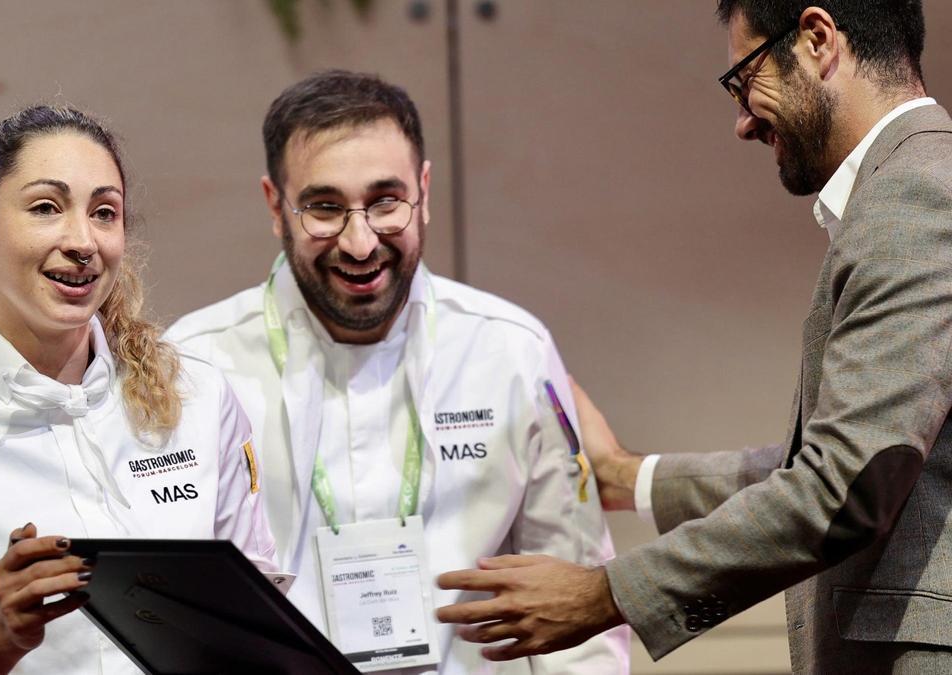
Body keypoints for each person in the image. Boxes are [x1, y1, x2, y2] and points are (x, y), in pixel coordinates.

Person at [436, 1, 952, 672]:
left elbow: (842, 487)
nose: (742, 122)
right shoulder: (908, 189)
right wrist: (628, 476)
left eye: (745, 78)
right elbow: (836, 463)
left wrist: (604, 594)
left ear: (819, 39)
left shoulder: (914, 197)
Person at [165, 70, 629, 673]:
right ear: (275, 206)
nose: (360, 244)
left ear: (425, 191)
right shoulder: (199, 365)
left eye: (386, 202)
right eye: (325, 208)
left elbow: (578, 605)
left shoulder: (508, 350)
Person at [0, 105, 275, 675]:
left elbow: (259, 624)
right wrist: (3, 635)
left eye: (105, 213)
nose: (83, 240)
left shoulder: (199, 398)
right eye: (46, 207)